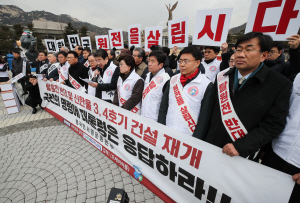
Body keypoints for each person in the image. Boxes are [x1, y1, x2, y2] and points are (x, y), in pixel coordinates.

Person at [203, 32, 292, 160]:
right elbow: (209, 112)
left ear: (264, 55)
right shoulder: (223, 76)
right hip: (210, 145)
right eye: (239, 49)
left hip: (240, 154)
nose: (240, 54)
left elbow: (273, 124)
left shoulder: (279, 84)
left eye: (248, 50)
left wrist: (242, 146)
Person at [158, 47, 214, 137]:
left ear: (197, 63)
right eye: (180, 61)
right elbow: (163, 107)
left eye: (186, 61)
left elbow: (204, 118)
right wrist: (161, 127)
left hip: (188, 136)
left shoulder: (206, 85)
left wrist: (196, 140)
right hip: (168, 132)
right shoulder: (173, 80)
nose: (182, 65)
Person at [141, 51, 170, 121]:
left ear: (160, 65)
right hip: (143, 115)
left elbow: (166, 104)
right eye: (149, 61)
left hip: (155, 119)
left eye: (153, 61)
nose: (149, 64)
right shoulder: (148, 75)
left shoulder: (165, 79)